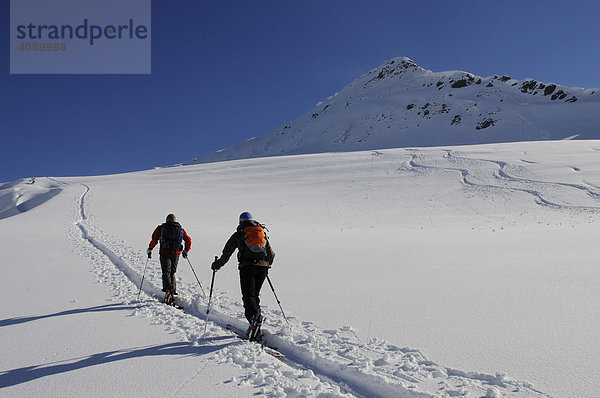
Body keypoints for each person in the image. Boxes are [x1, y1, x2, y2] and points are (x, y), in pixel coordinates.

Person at [212, 212, 275, 338]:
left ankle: (254, 318)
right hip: (262, 268)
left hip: (247, 267)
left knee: (248, 296)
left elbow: (227, 252)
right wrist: (266, 265)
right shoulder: (261, 232)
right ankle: (256, 321)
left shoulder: (239, 234)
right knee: (254, 295)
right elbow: (271, 254)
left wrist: (217, 265)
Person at [147, 214, 192, 300]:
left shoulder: (161, 228)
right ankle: (173, 291)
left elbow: (154, 239)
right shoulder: (180, 229)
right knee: (172, 272)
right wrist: (186, 251)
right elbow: (188, 240)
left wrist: (150, 248)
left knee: (166, 272)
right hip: (176, 253)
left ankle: (168, 290)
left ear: (166, 220)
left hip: (164, 252)